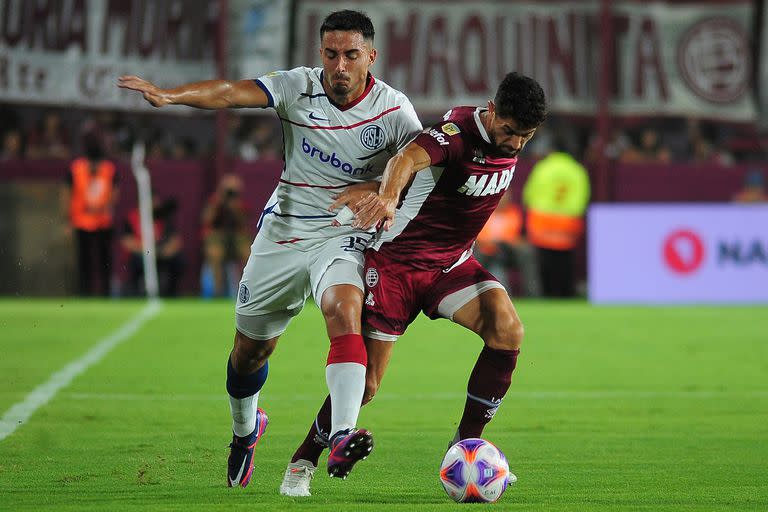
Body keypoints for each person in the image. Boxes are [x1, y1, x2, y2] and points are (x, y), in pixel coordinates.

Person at [118, 9, 422, 490]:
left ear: (370, 56)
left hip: (341, 235)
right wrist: (171, 95)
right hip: (282, 232)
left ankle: (342, 433)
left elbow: (417, 171)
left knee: (344, 308)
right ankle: (245, 430)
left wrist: (372, 187)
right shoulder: (297, 87)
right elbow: (227, 92)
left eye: (350, 55)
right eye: (330, 54)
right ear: (319, 53)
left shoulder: (395, 111)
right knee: (250, 353)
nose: (338, 65)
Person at [281, 72, 546, 497]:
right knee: (365, 387)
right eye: (511, 131)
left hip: (450, 264)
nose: (516, 144)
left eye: (527, 136)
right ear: (492, 111)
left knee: (507, 329)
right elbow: (404, 160)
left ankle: (466, 445)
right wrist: (386, 195)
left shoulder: (507, 140)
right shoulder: (455, 134)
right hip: (397, 267)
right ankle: (303, 462)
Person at [522, 141, 591, 297]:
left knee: (544, 261)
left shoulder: (543, 167)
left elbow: (530, 193)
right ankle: (566, 292)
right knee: (565, 260)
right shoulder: (577, 170)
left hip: (542, 221)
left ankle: (547, 293)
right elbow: (582, 197)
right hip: (567, 222)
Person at [61, 130, 119, 296]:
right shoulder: (76, 169)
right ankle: (84, 292)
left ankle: (106, 292)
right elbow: (66, 193)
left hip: (103, 221)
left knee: (105, 260)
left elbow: (115, 191)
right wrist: (67, 220)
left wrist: (107, 207)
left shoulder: (108, 169)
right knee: (84, 260)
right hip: (82, 221)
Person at [474, 191, 541, 297]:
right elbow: (477, 238)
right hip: (486, 250)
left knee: (527, 251)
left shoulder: (515, 213)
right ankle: (472, 294)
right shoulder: (483, 212)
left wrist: (517, 242)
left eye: (506, 197)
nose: (503, 200)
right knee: (477, 254)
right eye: (501, 197)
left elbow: (521, 236)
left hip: (509, 250)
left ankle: (532, 293)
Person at [120, 195, 184, 297]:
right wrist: (147, 251)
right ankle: (136, 293)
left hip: (161, 253)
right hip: (143, 253)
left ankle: (170, 293)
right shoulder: (132, 217)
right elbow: (126, 241)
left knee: (178, 261)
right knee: (137, 261)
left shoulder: (162, 217)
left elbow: (175, 240)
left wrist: (165, 251)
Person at [200, 174, 251, 297]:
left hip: (235, 238)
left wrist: (235, 208)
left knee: (247, 253)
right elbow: (206, 220)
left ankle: (245, 292)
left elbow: (243, 224)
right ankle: (218, 292)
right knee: (215, 253)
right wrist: (219, 201)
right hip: (218, 238)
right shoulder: (214, 201)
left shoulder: (240, 204)